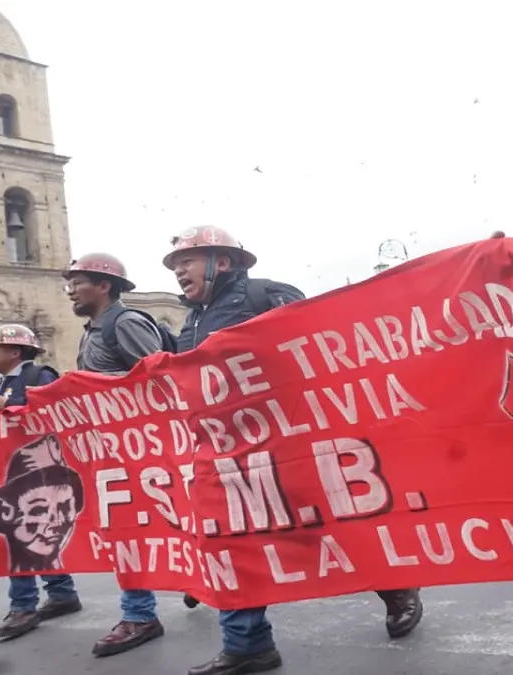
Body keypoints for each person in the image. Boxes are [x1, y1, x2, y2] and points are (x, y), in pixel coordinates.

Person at [167, 227, 425, 675]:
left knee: (330, 524)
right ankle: (247, 644)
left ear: (221, 262)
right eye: (174, 265)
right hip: (227, 451)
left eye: (186, 261)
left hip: (288, 441)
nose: (178, 271)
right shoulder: (191, 321)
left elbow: (314, 347)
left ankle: (397, 585)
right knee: (234, 539)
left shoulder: (267, 294)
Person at [63, 252, 171, 658]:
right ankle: (140, 613)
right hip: (113, 454)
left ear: (104, 285)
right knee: (123, 533)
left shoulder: (125, 323)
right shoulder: (92, 331)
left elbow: (162, 381)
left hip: (142, 454)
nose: (70, 289)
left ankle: (142, 614)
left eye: (78, 281)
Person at [0, 323, 81, 642]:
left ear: (15, 352)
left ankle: (23, 606)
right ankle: (62, 592)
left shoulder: (39, 376)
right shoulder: (2, 383)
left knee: (17, 535)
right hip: (12, 471)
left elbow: (55, 411)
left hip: (37, 472)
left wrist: (9, 407)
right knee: (34, 534)